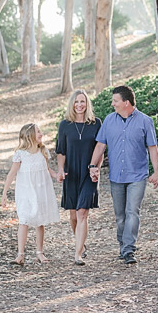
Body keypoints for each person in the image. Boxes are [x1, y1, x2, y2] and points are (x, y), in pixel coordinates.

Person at [89, 85, 158, 264]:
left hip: (137, 175)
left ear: (126, 103)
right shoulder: (109, 120)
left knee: (132, 212)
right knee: (120, 216)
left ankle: (129, 249)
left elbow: (152, 148)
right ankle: (123, 245)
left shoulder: (145, 121)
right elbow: (100, 146)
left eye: (115, 101)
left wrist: (157, 172)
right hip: (116, 176)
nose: (112, 104)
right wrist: (92, 166)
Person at [1, 123, 61, 265]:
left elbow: (48, 170)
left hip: (41, 190)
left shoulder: (43, 151)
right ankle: (20, 254)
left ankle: (39, 253)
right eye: (38, 132)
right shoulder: (20, 154)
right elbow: (11, 174)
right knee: (24, 220)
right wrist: (4, 193)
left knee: (40, 222)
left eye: (40, 131)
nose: (41, 134)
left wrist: (57, 175)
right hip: (25, 192)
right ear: (29, 136)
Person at [56, 90, 103, 265]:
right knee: (74, 216)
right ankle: (80, 244)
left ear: (87, 103)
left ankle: (78, 254)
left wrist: (96, 169)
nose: (79, 105)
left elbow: (101, 149)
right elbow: (61, 151)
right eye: (76, 102)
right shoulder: (65, 125)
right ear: (72, 104)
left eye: (82, 101)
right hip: (71, 173)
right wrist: (60, 170)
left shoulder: (96, 123)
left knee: (83, 212)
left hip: (89, 173)